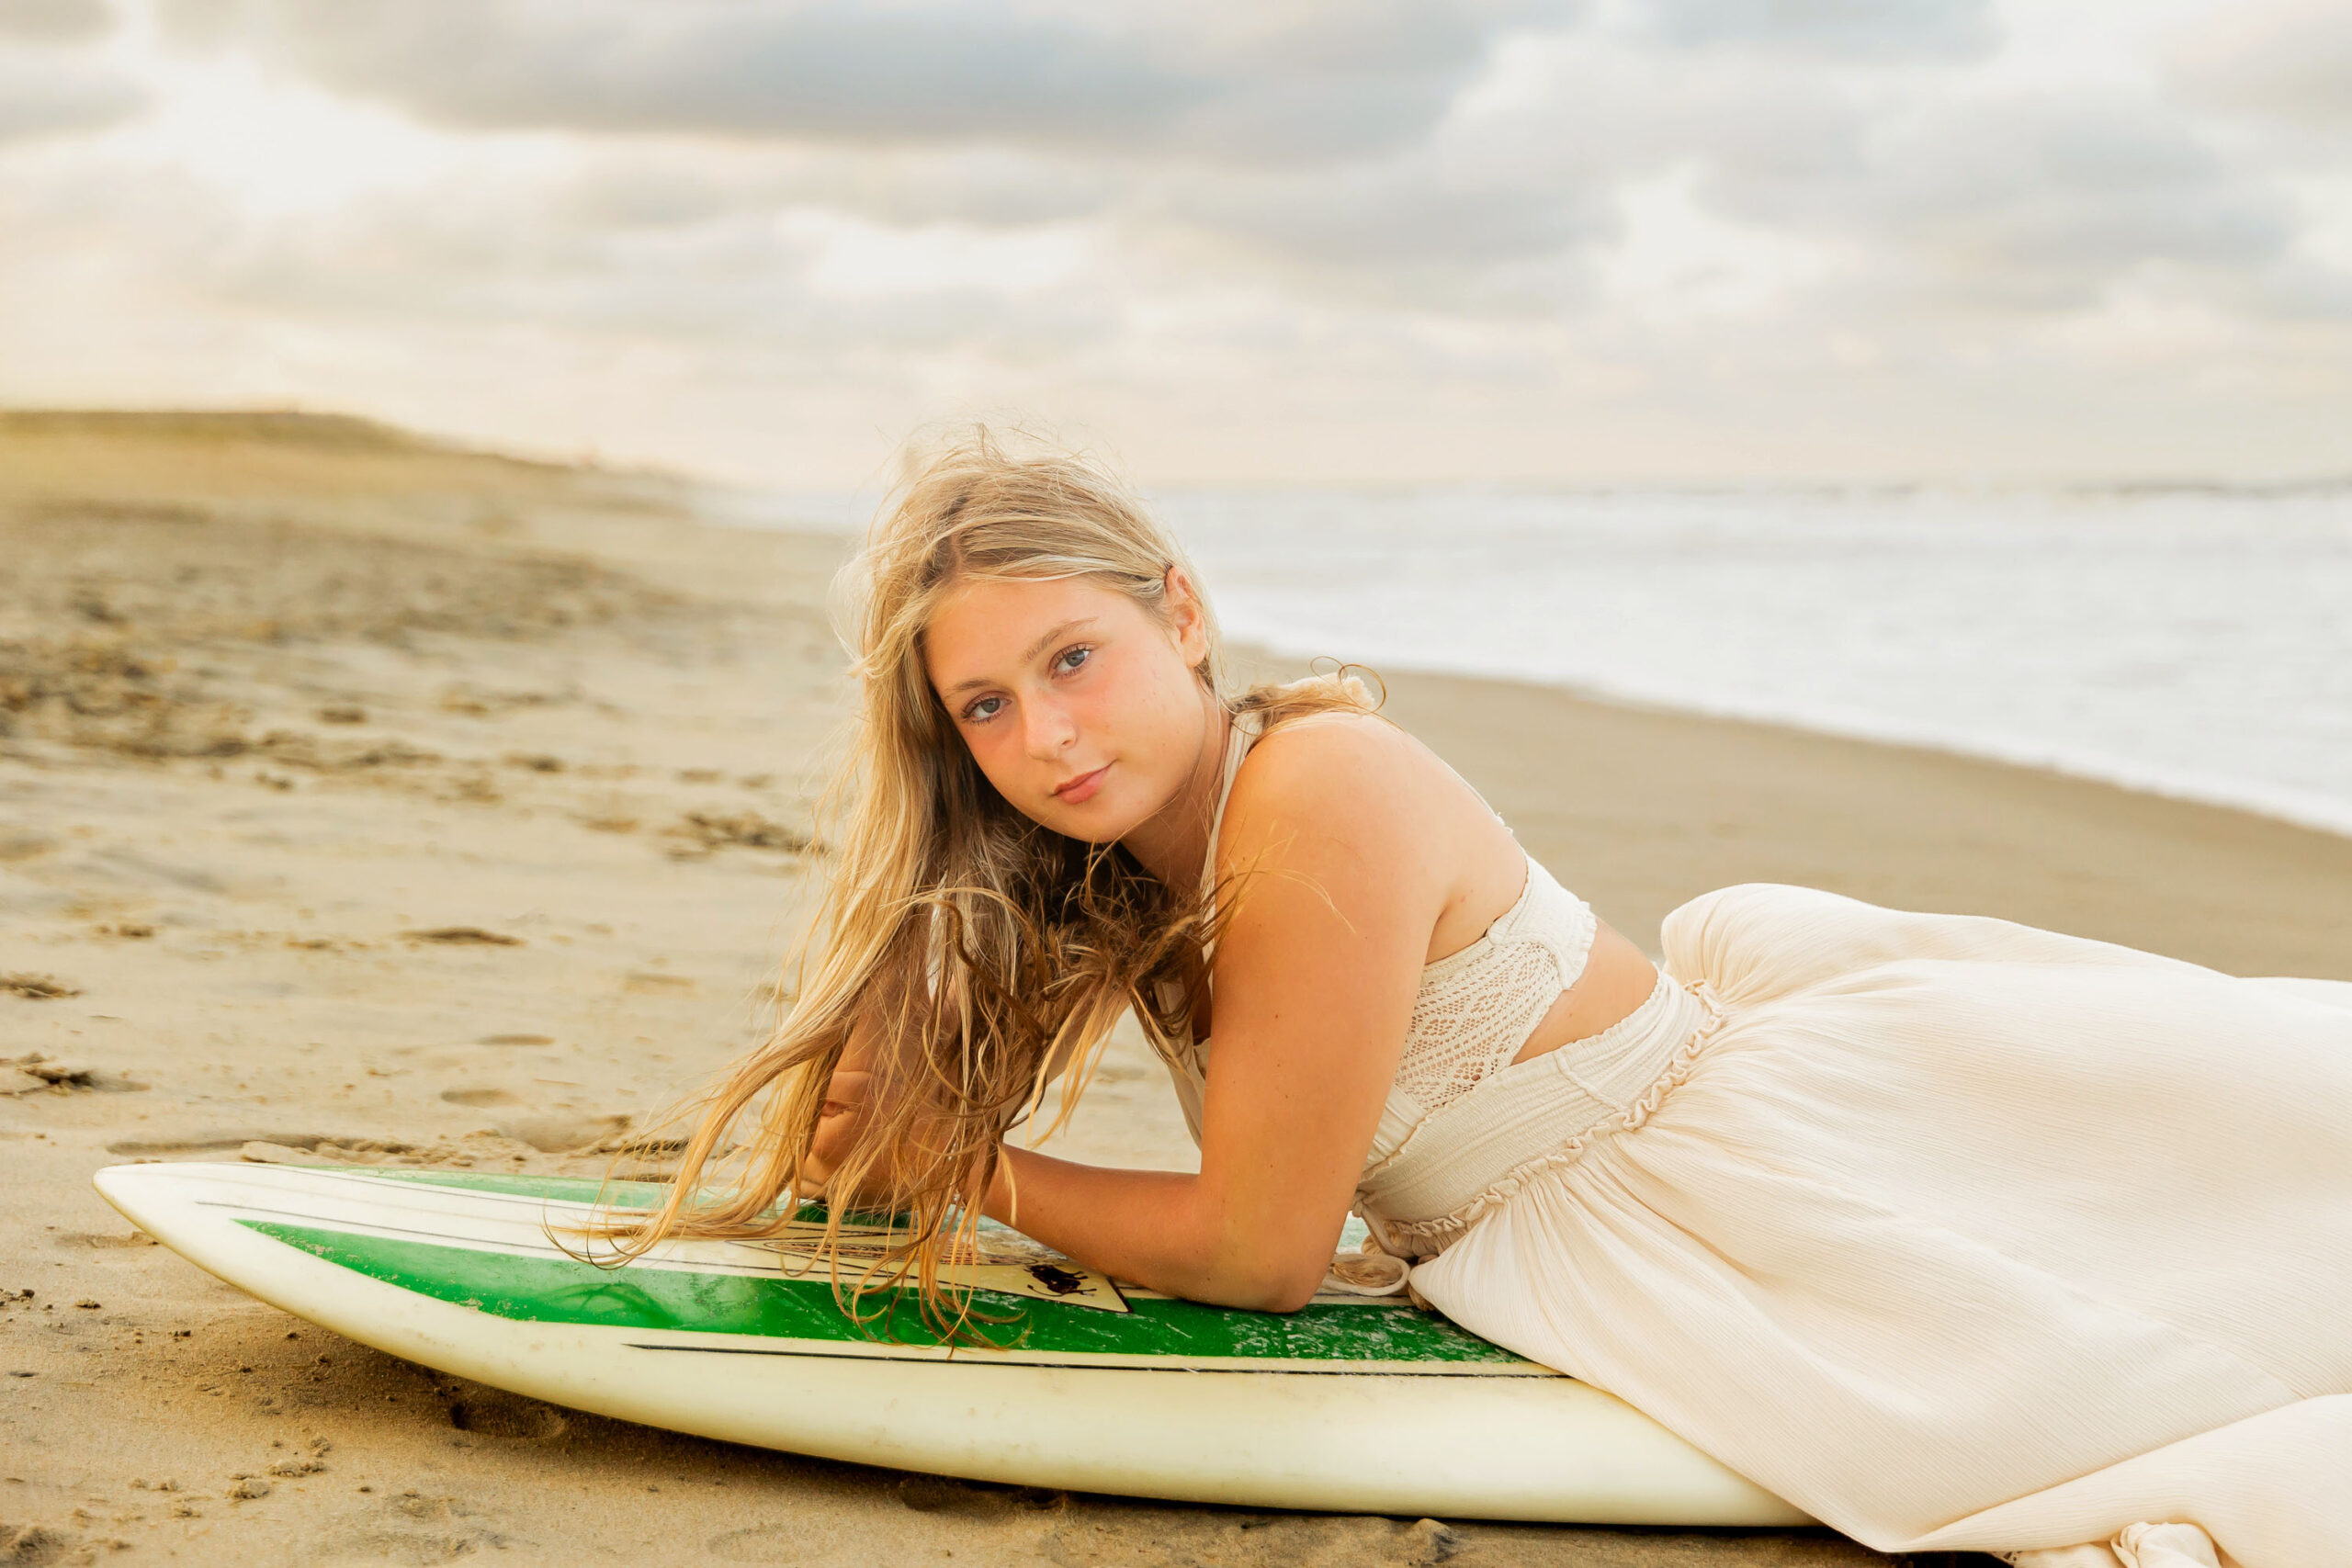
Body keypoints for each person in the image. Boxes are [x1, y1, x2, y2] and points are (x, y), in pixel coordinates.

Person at [634, 431, 2352, 1568]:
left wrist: (971, 1173)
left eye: (1072, 659)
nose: (1048, 738)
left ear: (1183, 613)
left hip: (1739, 1185)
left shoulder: (1317, 788)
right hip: (1585, 1220)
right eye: (988, 709)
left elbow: (1259, 1252)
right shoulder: (1100, 849)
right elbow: (873, 1084)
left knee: (2237, 1345)